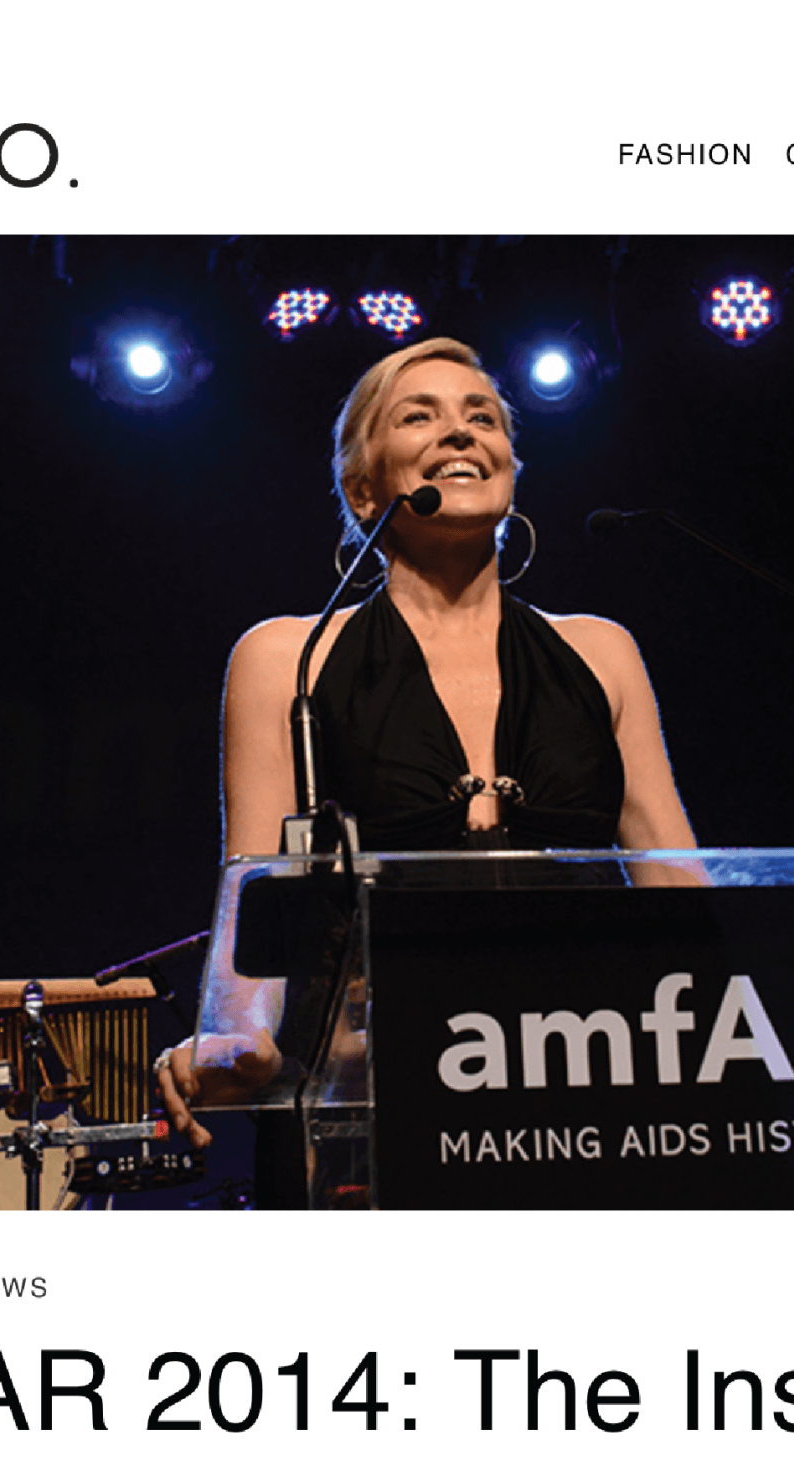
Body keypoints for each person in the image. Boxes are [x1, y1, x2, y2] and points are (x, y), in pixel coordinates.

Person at [156, 336, 696, 1152]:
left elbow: (678, 884)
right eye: (420, 416)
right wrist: (235, 1036)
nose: (460, 432)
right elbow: (254, 886)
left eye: (482, 416)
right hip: (378, 1095)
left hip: (589, 1073)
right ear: (364, 489)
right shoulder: (285, 657)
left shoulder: (601, 651)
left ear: (512, 465)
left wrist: (738, 1042)